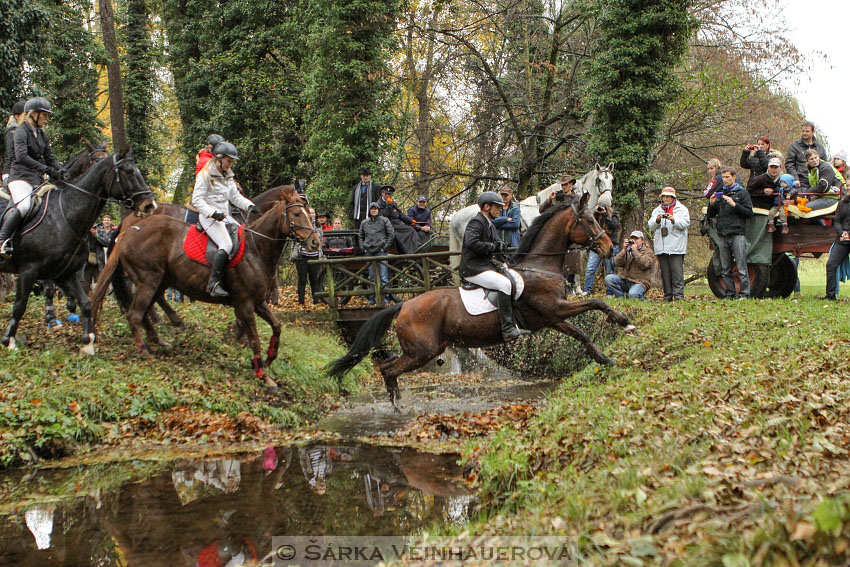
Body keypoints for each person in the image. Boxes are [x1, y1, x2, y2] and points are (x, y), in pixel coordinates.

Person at [459, 191, 530, 342]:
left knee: (512, 278)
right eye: (497, 207)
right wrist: (492, 247)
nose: (500, 209)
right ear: (487, 207)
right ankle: (507, 329)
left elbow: (496, 243)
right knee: (504, 284)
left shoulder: (489, 224)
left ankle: (515, 321)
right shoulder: (476, 222)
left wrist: (499, 245)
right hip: (473, 268)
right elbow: (471, 243)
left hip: (484, 265)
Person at [1, 98, 66, 258]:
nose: (46, 118)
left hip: (36, 179)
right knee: (23, 206)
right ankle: (2, 240)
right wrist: (46, 169)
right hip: (20, 178)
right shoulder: (20, 131)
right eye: (43, 115)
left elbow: (49, 158)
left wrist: (62, 171)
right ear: (33, 114)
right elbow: (21, 156)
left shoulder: (41, 134)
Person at [192, 141, 258, 297]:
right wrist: (212, 213)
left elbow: (235, 197)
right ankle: (213, 284)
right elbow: (197, 200)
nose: (230, 164)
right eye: (229, 161)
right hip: (209, 217)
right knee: (227, 245)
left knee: (243, 236)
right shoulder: (205, 174)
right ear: (219, 158)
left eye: (232, 161)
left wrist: (249, 205)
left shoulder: (228, 175)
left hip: (224, 216)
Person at [707, 167, 753, 299]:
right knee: (725, 268)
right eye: (723, 177)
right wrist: (711, 204)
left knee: (741, 267)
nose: (725, 180)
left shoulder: (742, 193)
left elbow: (749, 213)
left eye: (727, 177)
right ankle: (730, 293)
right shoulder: (720, 193)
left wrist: (734, 204)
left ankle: (745, 294)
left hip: (737, 234)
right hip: (722, 235)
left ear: (734, 176)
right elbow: (711, 214)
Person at [648, 187, 690, 301]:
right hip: (661, 247)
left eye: (668, 196)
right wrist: (657, 219)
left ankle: (678, 295)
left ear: (673, 197)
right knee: (665, 273)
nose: (665, 198)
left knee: (677, 272)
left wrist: (674, 219)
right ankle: (667, 295)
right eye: (664, 196)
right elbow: (651, 225)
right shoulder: (657, 210)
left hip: (676, 246)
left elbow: (685, 224)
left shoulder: (681, 209)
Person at [583, 192, 620, 294]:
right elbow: (591, 226)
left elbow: (614, 225)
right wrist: (595, 214)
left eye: (603, 205)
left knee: (609, 271)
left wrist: (605, 214)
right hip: (597, 247)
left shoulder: (614, 214)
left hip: (610, 246)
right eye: (600, 205)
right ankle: (587, 290)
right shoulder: (596, 215)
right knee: (590, 268)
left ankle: (609, 292)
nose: (601, 207)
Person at [359, 202, 393, 305]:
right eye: (371, 209)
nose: (373, 210)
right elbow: (360, 236)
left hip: (381, 251)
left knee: (383, 276)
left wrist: (385, 247)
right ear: (369, 211)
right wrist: (363, 247)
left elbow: (391, 234)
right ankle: (372, 298)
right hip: (369, 251)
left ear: (378, 210)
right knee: (372, 277)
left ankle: (386, 298)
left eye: (375, 209)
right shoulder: (364, 223)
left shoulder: (384, 220)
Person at [605, 231, 655, 299]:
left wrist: (636, 252)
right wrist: (624, 250)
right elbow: (616, 262)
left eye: (636, 238)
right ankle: (622, 297)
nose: (634, 240)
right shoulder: (628, 250)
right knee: (609, 278)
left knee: (633, 294)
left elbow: (645, 264)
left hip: (640, 282)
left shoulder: (648, 251)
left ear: (642, 240)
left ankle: (642, 299)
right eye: (632, 238)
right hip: (626, 280)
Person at [291, 208, 322, 306]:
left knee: (314, 279)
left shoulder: (317, 225)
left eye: (313, 213)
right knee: (302, 279)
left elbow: (319, 237)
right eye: (310, 213)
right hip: (302, 256)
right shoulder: (301, 223)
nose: (312, 214)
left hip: (314, 256)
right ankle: (301, 301)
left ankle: (316, 300)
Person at [377, 185, 421, 254]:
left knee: (411, 230)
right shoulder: (378, 204)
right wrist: (388, 205)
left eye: (389, 194)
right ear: (382, 193)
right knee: (398, 235)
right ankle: (406, 252)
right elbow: (384, 215)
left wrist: (410, 220)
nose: (388, 196)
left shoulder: (393, 202)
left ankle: (416, 249)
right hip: (388, 224)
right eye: (386, 194)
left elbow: (400, 214)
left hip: (397, 223)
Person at [825, 184, 850, 300]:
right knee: (831, 265)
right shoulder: (841, 203)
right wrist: (842, 233)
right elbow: (836, 221)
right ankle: (830, 295)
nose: (849, 188)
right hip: (843, 240)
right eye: (848, 186)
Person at [786, 121, 827, 188]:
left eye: (807, 131)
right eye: (803, 131)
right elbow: (789, 164)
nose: (804, 133)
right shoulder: (794, 146)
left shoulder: (820, 147)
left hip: (817, 183)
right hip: (801, 183)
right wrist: (795, 178)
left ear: (813, 132)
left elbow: (825, 164)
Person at [2, 100, 26, 187]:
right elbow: (11, 155)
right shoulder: (12, 132)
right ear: (17, 116)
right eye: (25, 114)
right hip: (12, 173)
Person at [491, 184, 522, 248]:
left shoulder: (515, 208)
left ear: (511, 195)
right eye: (502, 194)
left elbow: (515, 224)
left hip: (513, 244)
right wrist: (505, 219)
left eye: (506, 195)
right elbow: (492, 222)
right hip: (497, 244)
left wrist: (498, 225)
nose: (503, 196)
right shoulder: (495, 207)